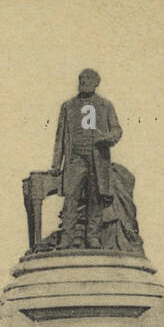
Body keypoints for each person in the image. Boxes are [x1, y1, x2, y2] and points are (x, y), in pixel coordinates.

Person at [52, 68, 122, 249]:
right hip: (75, 159)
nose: (83, 82)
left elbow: (116, 130)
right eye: (81, 79)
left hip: (97, 158)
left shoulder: (105, 106)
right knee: (71, 197)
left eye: (88, 79)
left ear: (96, 83)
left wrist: (105, 138)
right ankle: (66, 237)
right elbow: (60, 137)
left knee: (95, 198)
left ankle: (92, 236)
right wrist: (56, 164)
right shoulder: (68, 106)